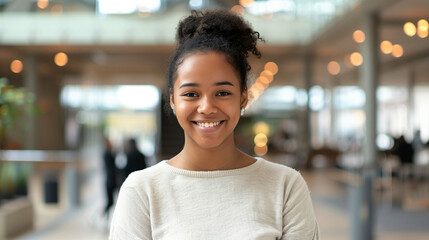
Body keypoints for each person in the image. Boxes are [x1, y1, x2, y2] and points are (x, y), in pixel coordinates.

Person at [110, 10, 319, 240]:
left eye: (222, 92)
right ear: (172, 100)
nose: (207, 107)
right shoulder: (142, 191)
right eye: (191, 93)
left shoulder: (285, 187)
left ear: (243, 98)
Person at [102, 136, 117, 218]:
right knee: (110, 202)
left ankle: (104, 217)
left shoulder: (109, 153)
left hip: (111, 180)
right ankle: (101, 216)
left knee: (110, 202)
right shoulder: (107, 154)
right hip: (110, 181)